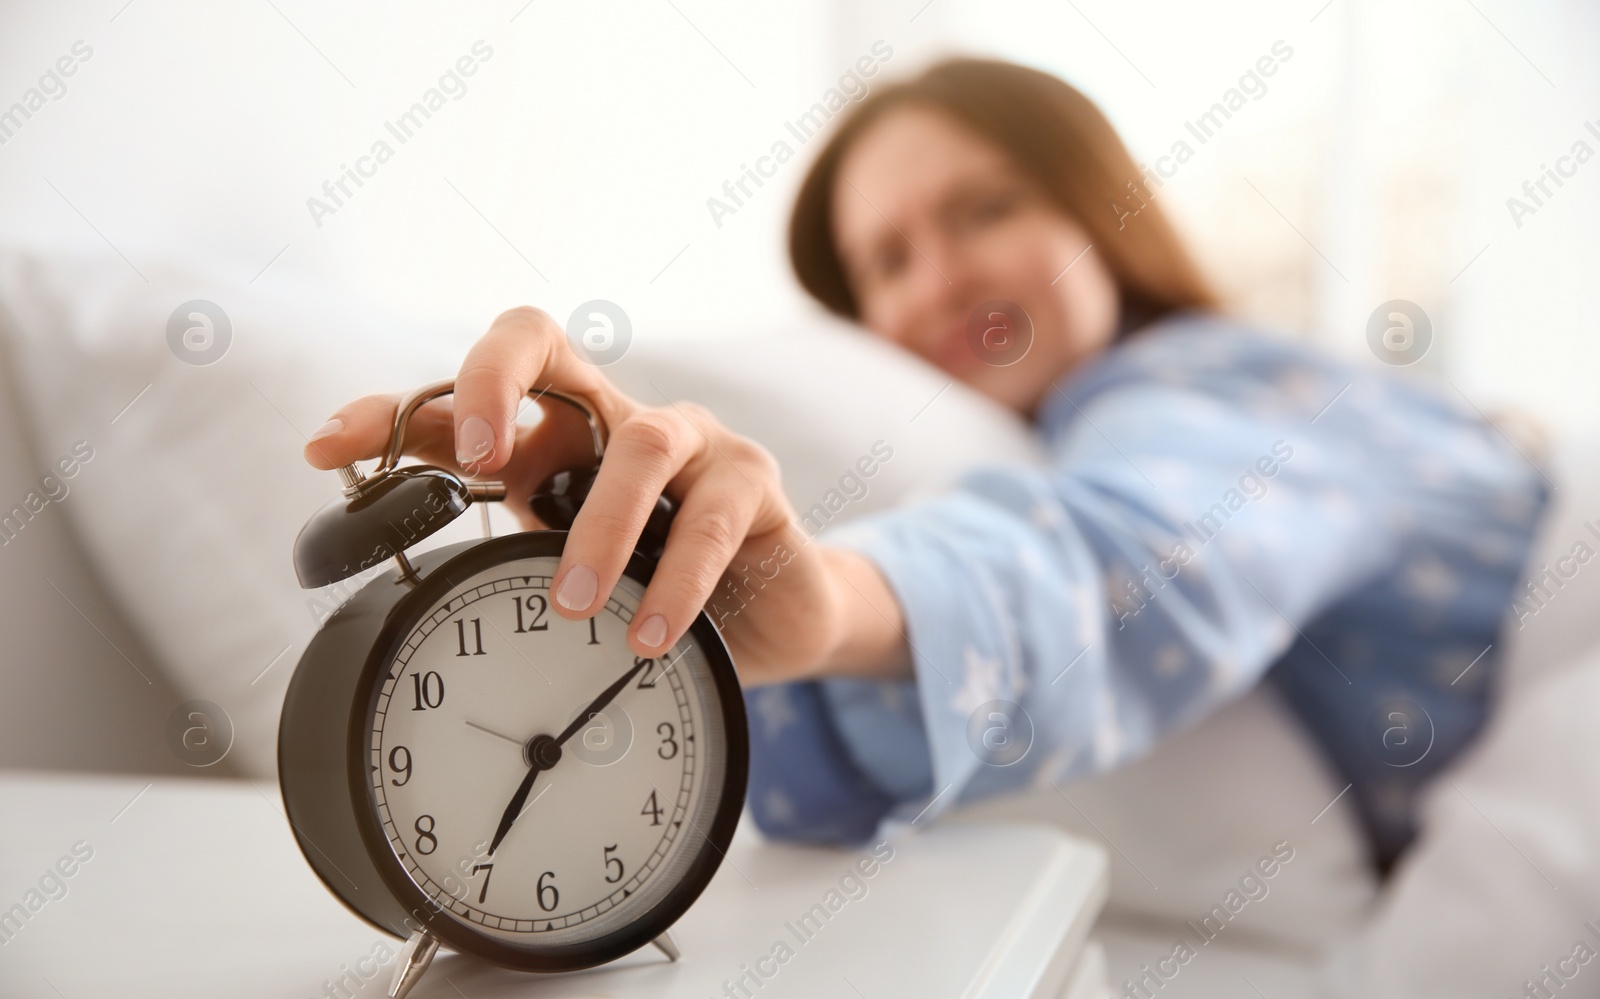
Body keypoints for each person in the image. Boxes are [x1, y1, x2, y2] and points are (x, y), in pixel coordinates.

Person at [303, 58, 1545, 875]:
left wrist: (830, 598)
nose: (938, 278)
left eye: (986, 208)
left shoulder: (1199, 391)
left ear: (1102, 212)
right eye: (886, 260)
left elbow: (1124, 555)